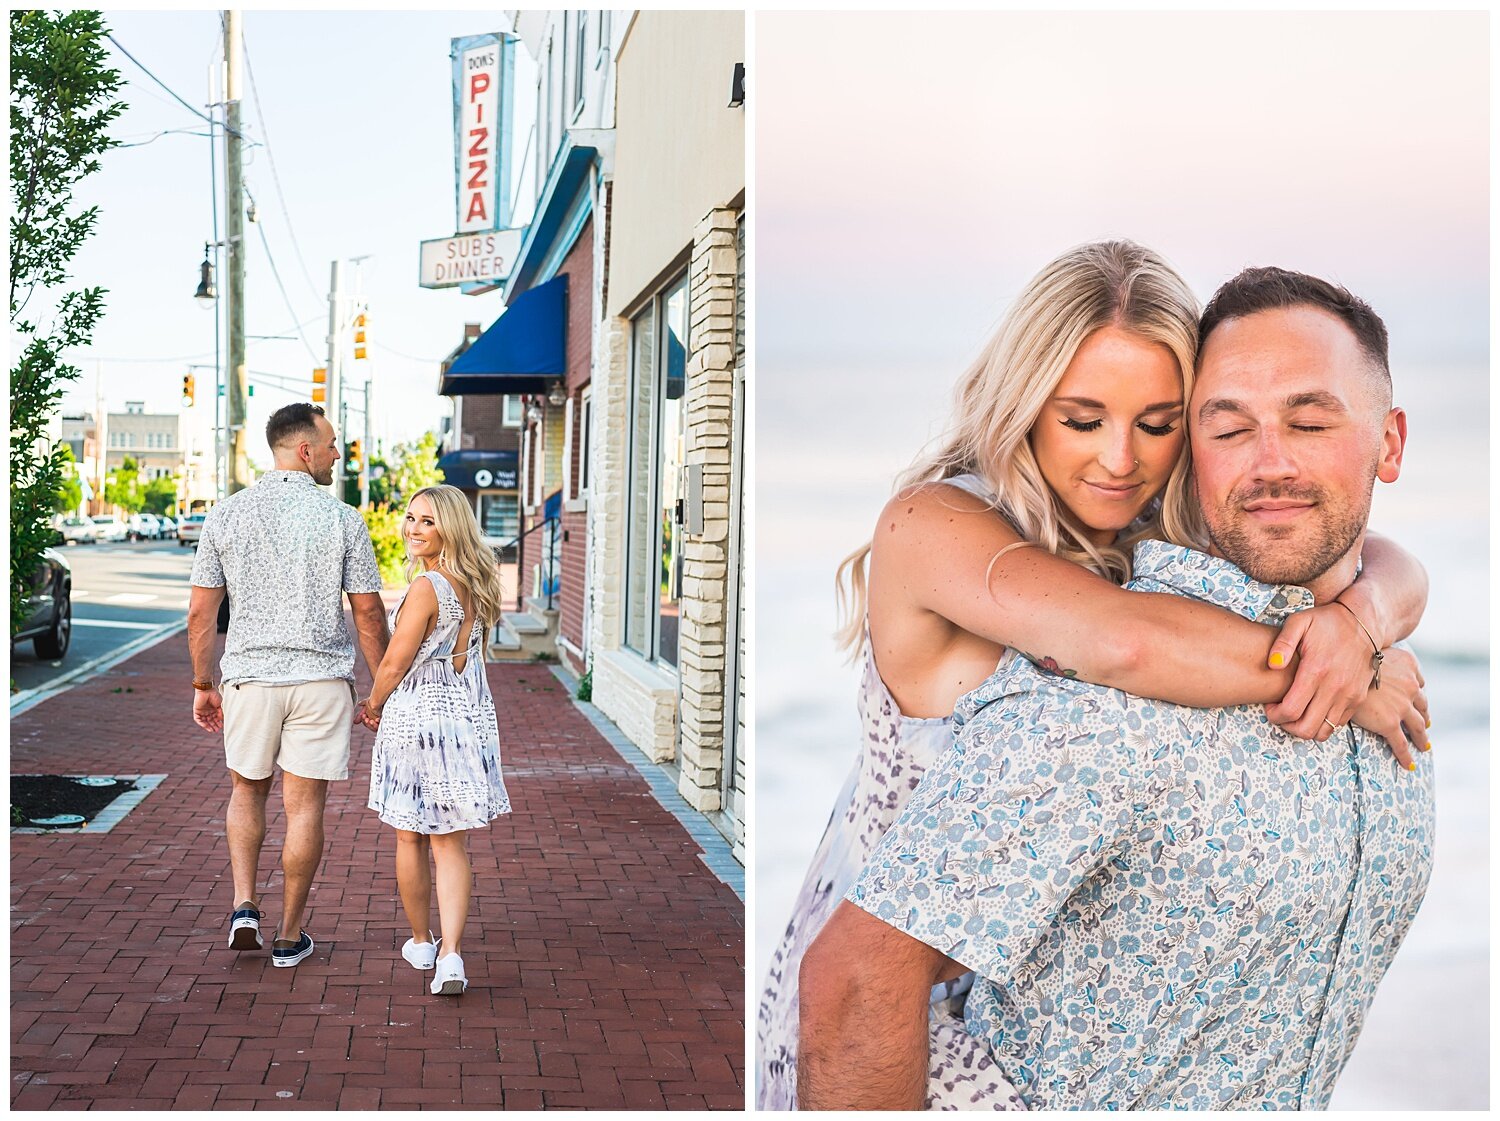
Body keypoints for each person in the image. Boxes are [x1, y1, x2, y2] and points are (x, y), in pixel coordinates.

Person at [757, 243, 1430, 1108]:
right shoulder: (935, 522)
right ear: (1025, 404)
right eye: (1082, 419)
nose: (1121, 459)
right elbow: (1126, 644)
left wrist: (1362, 621)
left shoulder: (1136, 533)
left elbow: (1383, 557)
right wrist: (1344, 672)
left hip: (1011, 972)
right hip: (895, 993)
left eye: (1158, 424)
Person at [189, 402, 389, 968]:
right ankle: (288, 934)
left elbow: (202, 614)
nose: (336, 453)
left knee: (246, 791)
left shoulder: (226, 515)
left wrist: (205, 682)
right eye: (331, 444)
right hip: (321, 681)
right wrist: (382, 690)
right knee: (304, 810)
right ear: (304, 450)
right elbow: (369, 614)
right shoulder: (343, 519)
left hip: (250, 679)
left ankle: (244, 905)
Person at [363, 484, 512, 997]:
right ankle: (452, 956)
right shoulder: (477, 583)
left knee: (410, 834)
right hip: (465, 719)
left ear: (450, 526)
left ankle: (423, 942)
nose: (413, 528)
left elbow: (396, 661)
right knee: (452, 844)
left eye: (427, 521)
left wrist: (373, 702)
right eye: (410, 519)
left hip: (418, 718)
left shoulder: (428, 587)